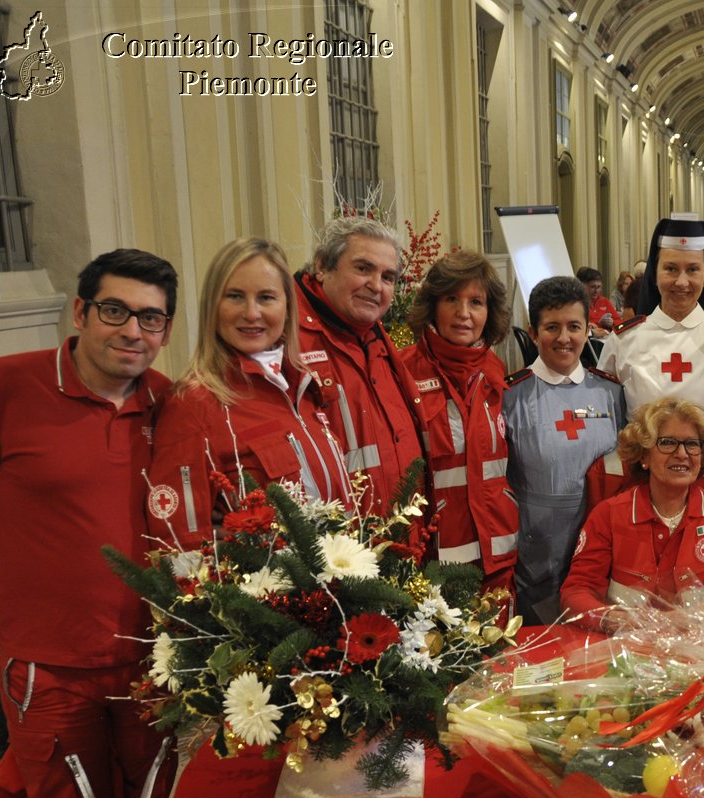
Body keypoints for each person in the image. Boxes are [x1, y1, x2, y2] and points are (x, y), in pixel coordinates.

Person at [0, 249, 183, 798]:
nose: (133, 330)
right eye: (116, 311)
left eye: (151, 317)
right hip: (49, 667)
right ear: (79, 311)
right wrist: (15, 588)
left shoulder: (166, 402)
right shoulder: (5, 384)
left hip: (147, 659)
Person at [147, 238, 350, 548]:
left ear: (287, 307)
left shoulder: (303, 387)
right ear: (213, 307)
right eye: (235, 296)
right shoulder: (194, 404)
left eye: (266, 297)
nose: (252, 313)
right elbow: (177, 544)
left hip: (337, 586)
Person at [593, 219, 704, 531]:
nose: (681, 281)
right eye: (671, 269)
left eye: (693, 270)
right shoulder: (625, 339)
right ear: (654, 273)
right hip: (644, 489)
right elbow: (608, 419)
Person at [562, 398, 704, 629]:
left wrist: (690, 620)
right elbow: (577, 590)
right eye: (668, 442)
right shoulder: (607, 514)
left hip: (698, 649)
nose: (682, 454)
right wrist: (614, 619)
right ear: (644, 457)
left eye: (692, 444)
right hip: (621, 647)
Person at [502, 276, 627, 623]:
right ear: (532, 331)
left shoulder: (609, 393)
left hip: (600, 548)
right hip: (536, 552)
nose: (563, 338)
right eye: (551, 327)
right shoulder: (509, 396)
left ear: (588, 329)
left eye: (574, 326)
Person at [398, 250, 519, 599]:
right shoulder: (403, 372)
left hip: (497, 555)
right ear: (433, 305)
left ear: (489, 311)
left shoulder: (495, 371)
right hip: (435, 560)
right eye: (452, 299)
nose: (464, 313)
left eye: (476, 302)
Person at [295, 216, 425, 515]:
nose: (376, 286)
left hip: (397, 541)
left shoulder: (376, 339)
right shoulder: (289, 344)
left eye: (388, 277)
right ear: (322, 266)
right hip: (339, 550)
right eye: (363, 268)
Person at [578, 266, 619, 337]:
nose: (596, 291)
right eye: (592, 287)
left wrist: (612, 323)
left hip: (607, 339)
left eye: (599, 287)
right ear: (583, 285)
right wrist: (596, 324)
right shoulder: (577, 303)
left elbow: (620, 322)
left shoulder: (605, 301)